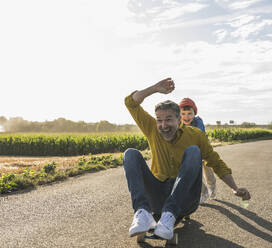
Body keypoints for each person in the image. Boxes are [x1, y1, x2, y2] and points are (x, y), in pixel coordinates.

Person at [123, 78, 251, 240]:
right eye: (159, 120)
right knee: (130, 153)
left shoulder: (195, 135)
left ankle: (170, 214)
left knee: (193, 151)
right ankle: (142, 212)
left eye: (168, 119)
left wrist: (234, 188)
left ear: (179, 120)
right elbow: (130, 103)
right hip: (157, 197)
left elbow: (215, 162)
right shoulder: (152, 128)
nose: (163, 125)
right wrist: (154, 89)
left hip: (185, 200)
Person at [179, 97, 216, 203]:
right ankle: (203, 192)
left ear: (194, 113)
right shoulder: (179, 123)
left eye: (189, 113)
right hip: (191, 152)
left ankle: (212, 187)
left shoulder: (198, 122)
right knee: (195, 174)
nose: (186, 117)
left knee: (208, 172)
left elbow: (197, 134)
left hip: (203, 149)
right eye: (183, 113)